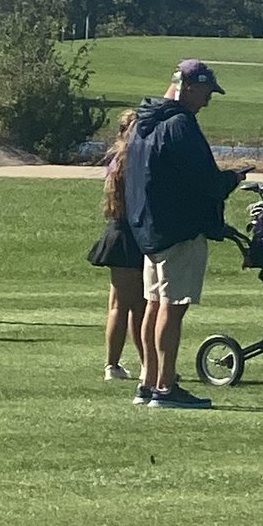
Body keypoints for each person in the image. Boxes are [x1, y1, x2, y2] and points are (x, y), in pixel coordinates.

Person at [124, 59, 249, 409]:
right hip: (178, 229)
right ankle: (165, 386)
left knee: (152, 305)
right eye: (207, 92)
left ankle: (147, 382)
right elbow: (205, 180)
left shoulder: (144, 123)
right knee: (172, 307)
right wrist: (232, 179)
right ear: (190, 87)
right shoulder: (180, 124)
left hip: (149, 229)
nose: (208, 100)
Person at [87, 110, 145, 382]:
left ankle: (115, 365)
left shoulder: (114, 160)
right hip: (133, 235)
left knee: (118, 304)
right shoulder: (135, 161)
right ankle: (145, 363)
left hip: (115, 231)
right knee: (139, 305)